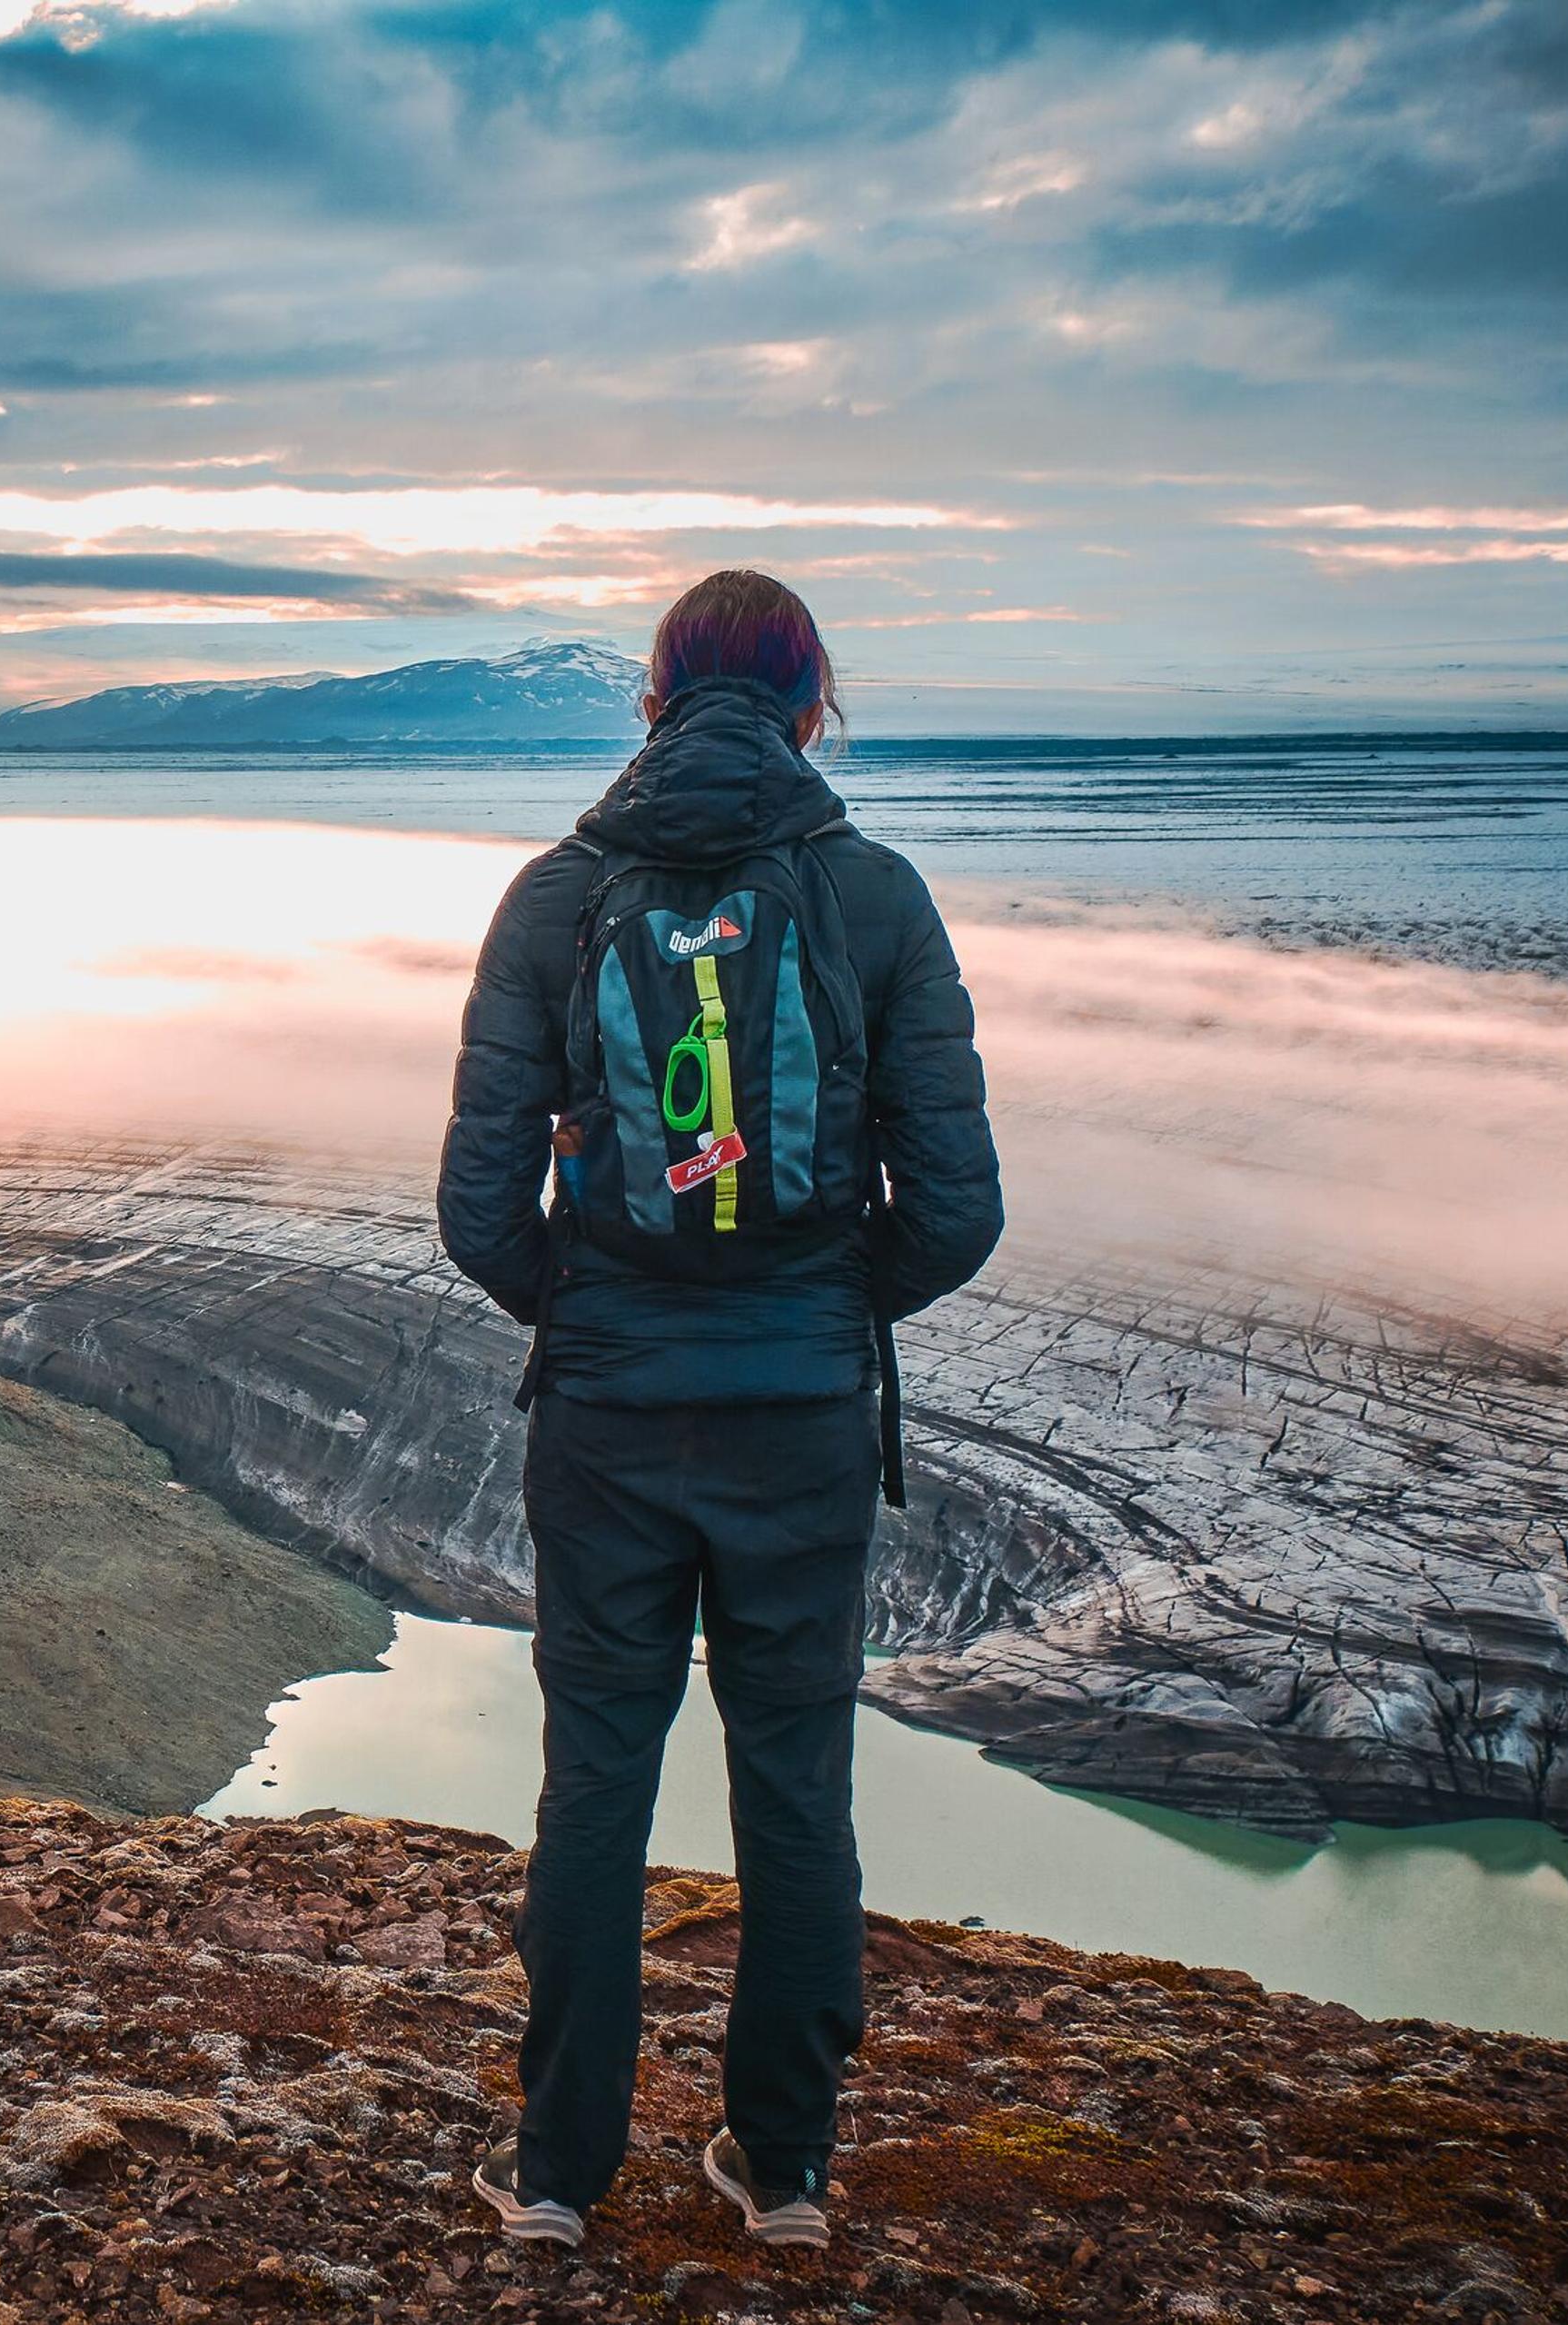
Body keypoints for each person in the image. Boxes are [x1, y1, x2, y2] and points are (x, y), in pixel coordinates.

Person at [437, 570, 1002, 2250]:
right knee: (797, 1786)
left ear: (655, 695)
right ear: (813, 693)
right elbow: (956, 1212)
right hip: (804, 1426)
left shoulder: (554, 898)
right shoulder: (878, 900)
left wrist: (599, 1311)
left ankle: (555, 2175)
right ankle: (782, 2170)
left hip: (607, 1423)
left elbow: (481, 1210)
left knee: (595, 1783)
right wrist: (821, 1308)